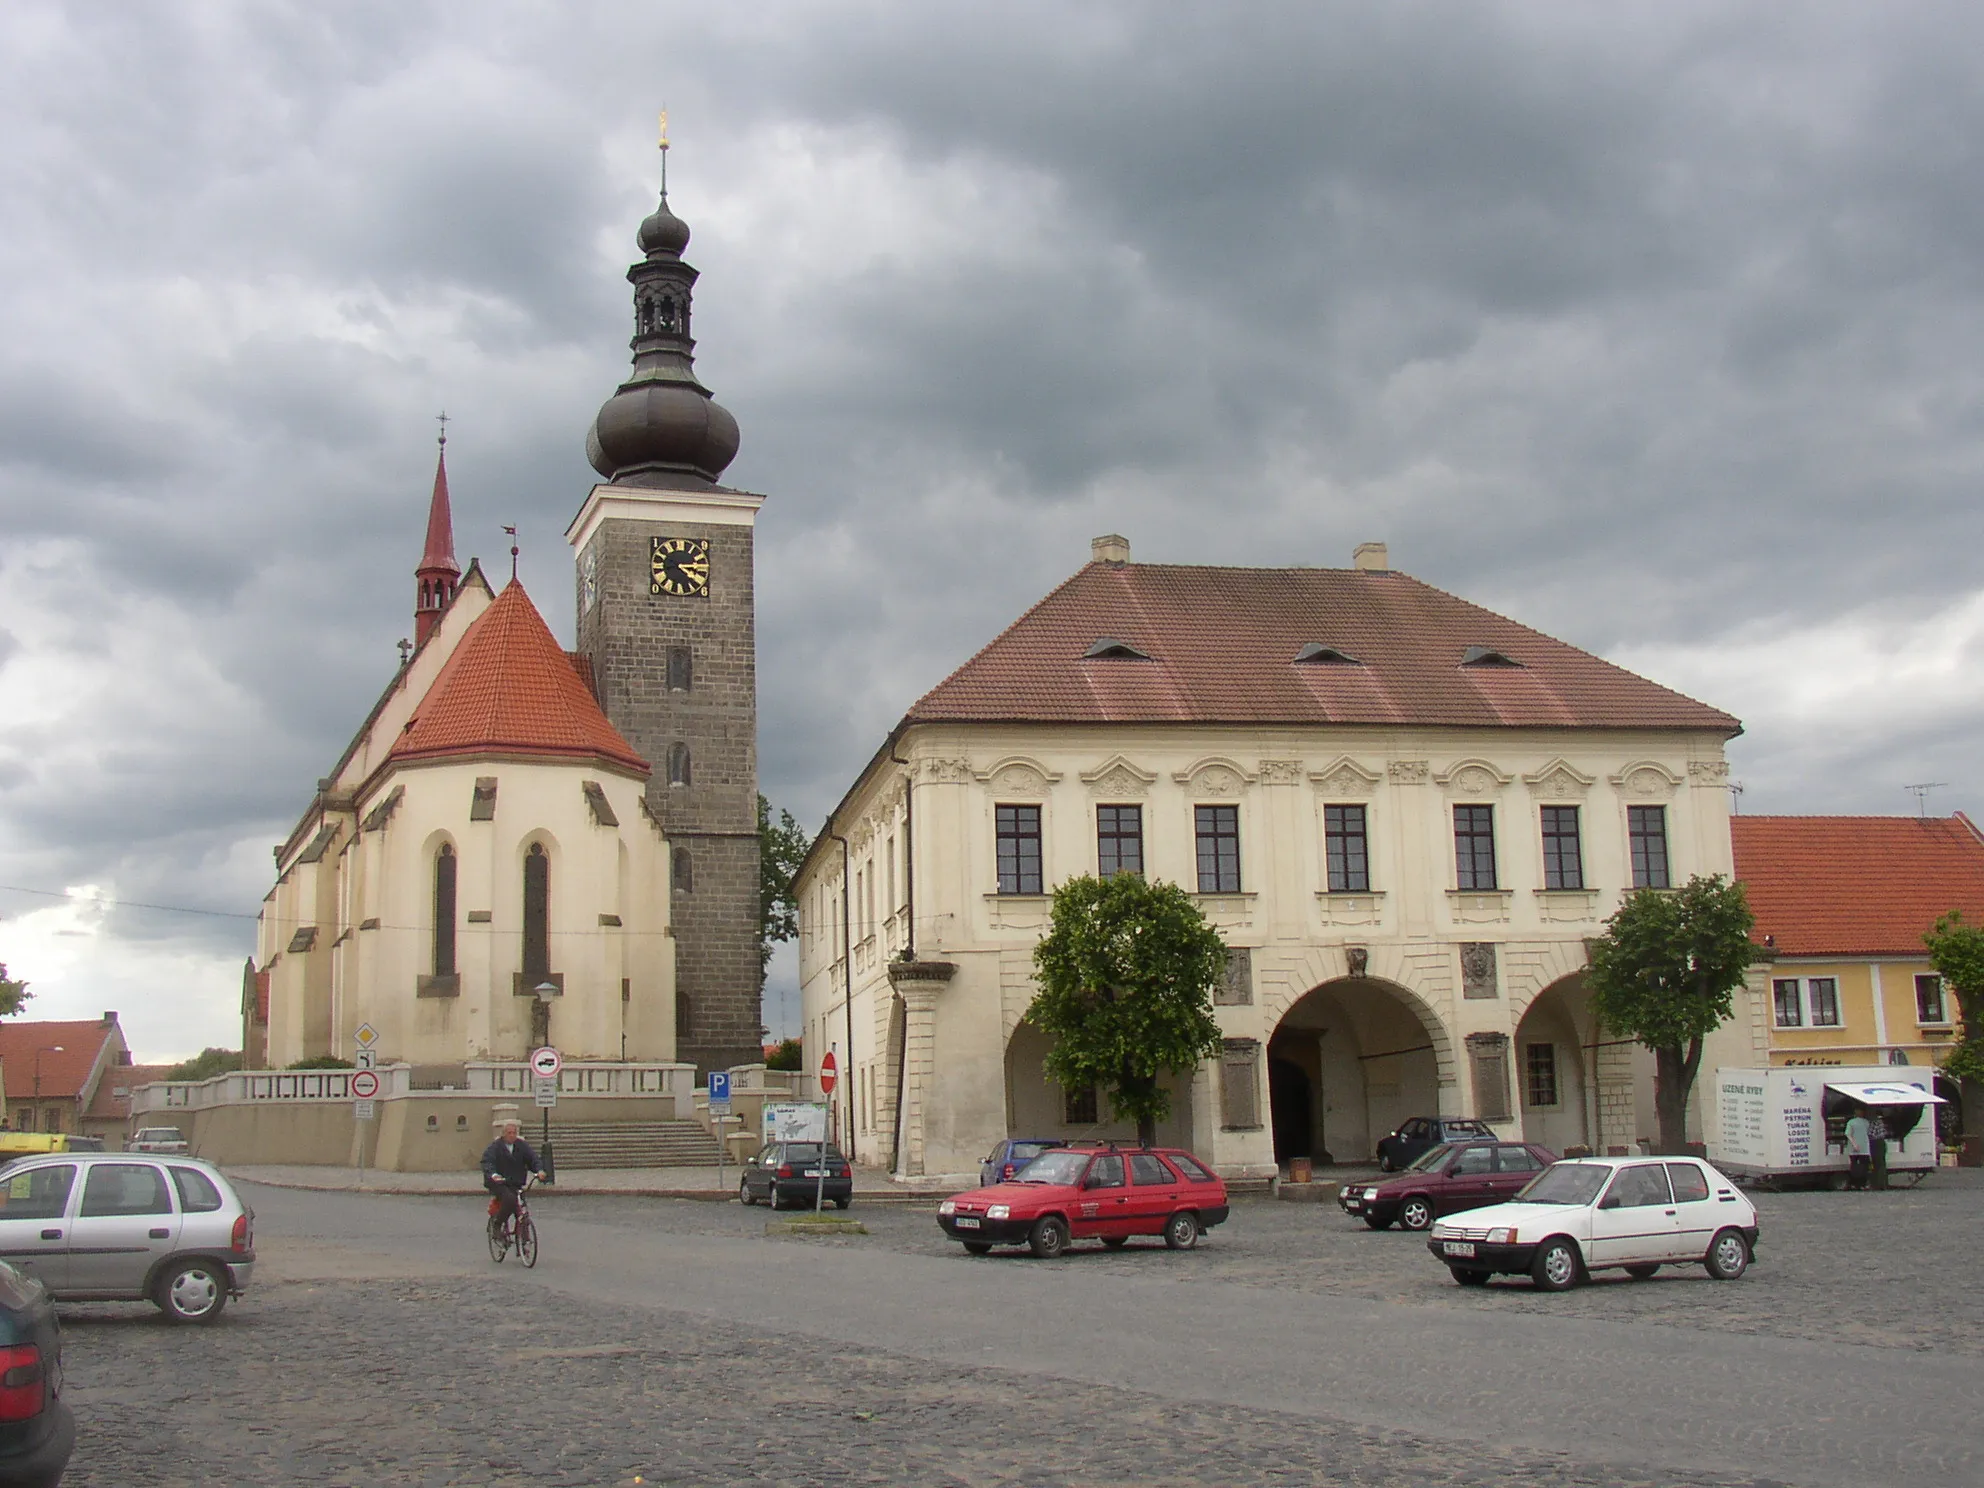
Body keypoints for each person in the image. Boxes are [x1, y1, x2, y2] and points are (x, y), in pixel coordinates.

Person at [481, 1119, 547, 1233]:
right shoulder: (495, 1147)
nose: (512, 1135)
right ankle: (498, 1224)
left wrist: (539, 1170)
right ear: (503, 1134)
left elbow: (533, 1159)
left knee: (521, 1208)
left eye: (514, 1133)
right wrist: (493, 1174)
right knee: (510, 1200)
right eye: (509, 1133)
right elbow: (487, 1162)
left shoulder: (521, 1146)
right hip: (499, 1183)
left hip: (515, 1182)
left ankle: (523, 1237)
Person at [1843, 1108, 1873, 1191]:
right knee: (1864, 1167)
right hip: (1864, 1148)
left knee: (1854, 1166)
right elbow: (1870, 1133)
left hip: (1853, 1149)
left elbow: (1848, 1134)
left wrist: (1854, 1144)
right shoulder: (1866, 1122)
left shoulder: (1851, 1122)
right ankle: (1862, 1184)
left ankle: (1854, 1184)